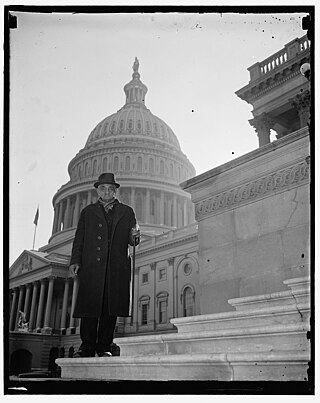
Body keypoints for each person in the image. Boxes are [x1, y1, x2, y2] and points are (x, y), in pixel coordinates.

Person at [69, 172, 140, 357]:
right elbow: (79, 239)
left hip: (116, 267)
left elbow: (133, 240)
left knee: (110, 309)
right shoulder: (88, 212)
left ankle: (104, 346)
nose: (106, 191)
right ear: (97, 191)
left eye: (110, 188)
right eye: (103, 188)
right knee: (90, 307)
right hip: (92, 266)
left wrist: (135, 236)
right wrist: (75, 261)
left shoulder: (127, 211)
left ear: (115, 191)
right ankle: (87, 346)